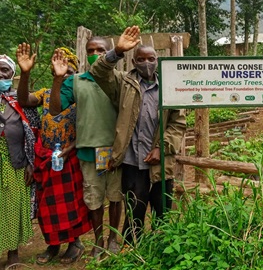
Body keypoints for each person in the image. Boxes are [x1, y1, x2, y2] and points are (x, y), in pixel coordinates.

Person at [90, 26, 186, 245]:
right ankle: (133, 252)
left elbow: (178, 123)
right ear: (134, 62)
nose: (146, 63)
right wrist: (117, 51)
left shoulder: (169, 88)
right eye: (141, 59)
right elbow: (98, 72)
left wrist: (161, 147)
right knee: (135, 212)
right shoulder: (122, 83)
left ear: (157, 59)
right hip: (133, 163)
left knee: (162, 211)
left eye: (150, 58)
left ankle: (163, 250)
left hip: (161, 164)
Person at [16, 44, 91, 265]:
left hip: (68, 156)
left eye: (68, 72)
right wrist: (25, 73)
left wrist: (69, 150)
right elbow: (23, 100)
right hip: (46, 156)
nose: (63, 75)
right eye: (59, 72)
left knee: (70, 203)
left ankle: (74, 243)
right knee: (47, 204)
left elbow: (88, 128)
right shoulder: (46, 94)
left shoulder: (81, 98)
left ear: (75, 74)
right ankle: (53, 243)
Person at [49, 37, 122, 258]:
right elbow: (55, 110)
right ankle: (98, 242)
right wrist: (58, 80)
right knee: (94, 200)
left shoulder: (121, 79)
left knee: (116, 197)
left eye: (100, 50)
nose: (95, 53)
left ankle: (112, 239)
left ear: (109, 53)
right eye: (90, 50)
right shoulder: (77, 81)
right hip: (89, 151)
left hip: (115, 151)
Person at [0, 54, 39, 269]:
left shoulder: (21, 99)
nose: (0, 74)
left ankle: (13, 251)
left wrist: (31, 163)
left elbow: (33, 133)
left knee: (13, 206)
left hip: (15, 161)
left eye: (5, 70)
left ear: (12, 74)